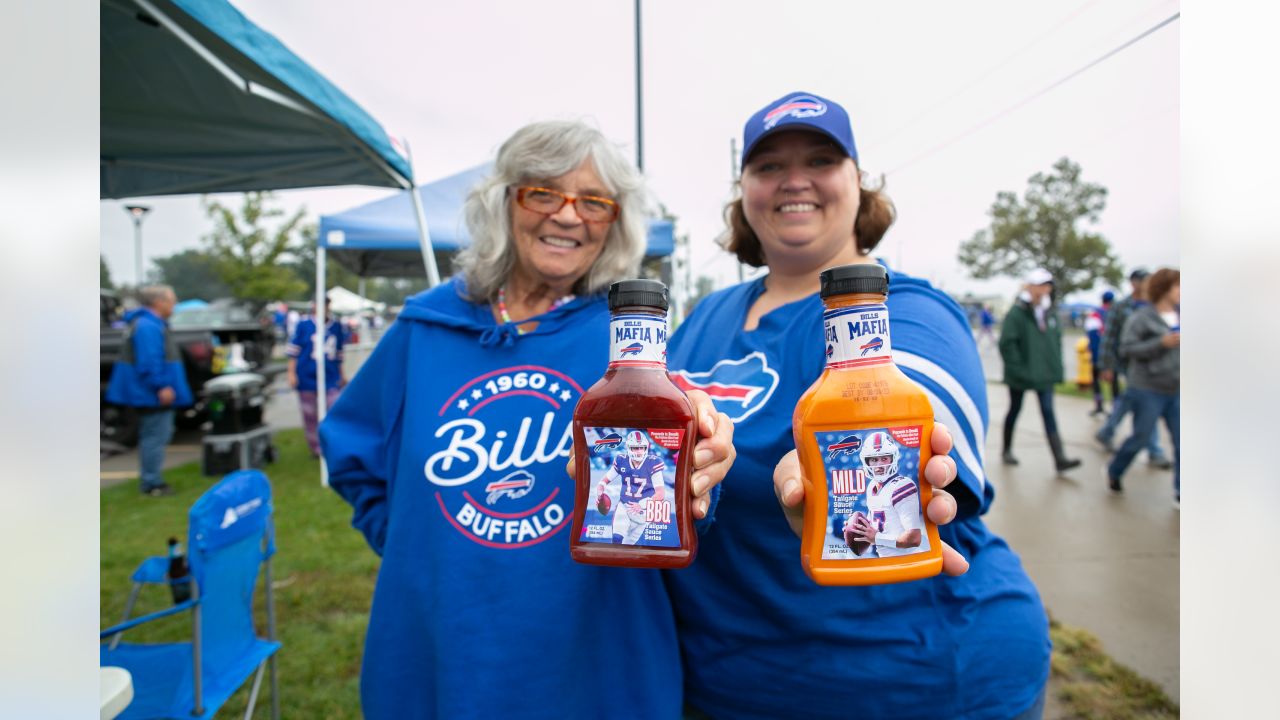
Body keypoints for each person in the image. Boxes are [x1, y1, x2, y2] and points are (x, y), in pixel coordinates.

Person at [318, 120, 735, 719]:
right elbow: (353, 456)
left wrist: (702, 471)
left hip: (589, 650)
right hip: (445, 643)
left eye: (594, 202)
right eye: (543, 192)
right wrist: (421, 550)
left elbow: (682, 489)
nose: (568, 217)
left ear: (614, 225)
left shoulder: (633, 345)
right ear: (503, 203)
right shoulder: (424, 329)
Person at [664, 91, 1050, 720]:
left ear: (859, 184)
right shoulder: (706, 316)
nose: (794, 180)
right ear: (744, 192)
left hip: (912, 682)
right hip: (729, 682)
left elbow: (917, 412)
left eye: (820, 159)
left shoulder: (909, 312)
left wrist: (818, 486)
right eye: (768, 166)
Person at [105, 284, 194, 496]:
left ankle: (152, 479)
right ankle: (152, 483)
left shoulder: (148, 323)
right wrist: (162, 385)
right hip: (150, 393)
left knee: (155, 434)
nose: (174, 305)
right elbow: (149, 361)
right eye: (172, 300)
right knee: (155, 435)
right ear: (158, 302)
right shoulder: (147, 326)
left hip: (148, 391)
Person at [1105, 268, 1180, 506]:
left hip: (1175, 388)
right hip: (1147, 388)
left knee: (1183, 442)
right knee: (1140, 437)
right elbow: (1127, 349)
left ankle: (1181, 491)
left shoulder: (1182, 316)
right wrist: (1161, 343)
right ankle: (1115, 470)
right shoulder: (1141, 317)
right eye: (1177, 286)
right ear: (1164, 289)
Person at [997, 268, 1081, 472]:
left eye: (1046, 286)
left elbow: (1055, 343)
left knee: (1048, 412)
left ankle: (1059, 458)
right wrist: (1018, 369)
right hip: (1022, 375)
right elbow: (1007, 344)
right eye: (1040, 285)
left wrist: (1056, 368)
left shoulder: (1049, 313)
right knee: (1015, 409)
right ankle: (1006, 449)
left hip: (1044, 375)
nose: (1043, 290)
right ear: (1030, 286)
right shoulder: (1018, 312)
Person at [1095, 269, 1173, 468]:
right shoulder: (1122, 307)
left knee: (1127, 402)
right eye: (1143, 281)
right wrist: (1106, 365)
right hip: (1131, 365)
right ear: (1134, 284)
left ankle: (1107, 431)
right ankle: (1154, 450)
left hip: (1154, 369)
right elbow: (1110, 338)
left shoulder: (1162, 309)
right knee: (1143, 408)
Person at [286, 299, 346, 457]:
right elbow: (294, 352)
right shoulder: (304, 324)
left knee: (334, 407)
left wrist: (342, 374)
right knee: (310, 413)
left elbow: (338, 354)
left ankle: (333, 443)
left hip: (330, 376)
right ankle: (316, 448)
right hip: (307, 376)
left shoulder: (336, 326)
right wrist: (291, 373)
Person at [594, 430, 669, 545]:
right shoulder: (621, 461)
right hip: (624, 505)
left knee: (629, 546)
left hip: (643, 511)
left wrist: (642, 504)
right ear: (629, 447)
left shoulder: (653, 463)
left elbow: (660, 493)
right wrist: (599, 493)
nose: (639, 451)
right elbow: (603, 481)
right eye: (635, 448)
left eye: (642, 448)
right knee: (617, 539)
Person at [1084, 290, 1114, 416]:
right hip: (1113, 355)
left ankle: (1099, 406)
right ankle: (1116, 408)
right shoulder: (1114, 314)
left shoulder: (1095, 315)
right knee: (1114, 382)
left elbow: (1092, 336)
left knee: (1097, 381)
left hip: (1098, 353)